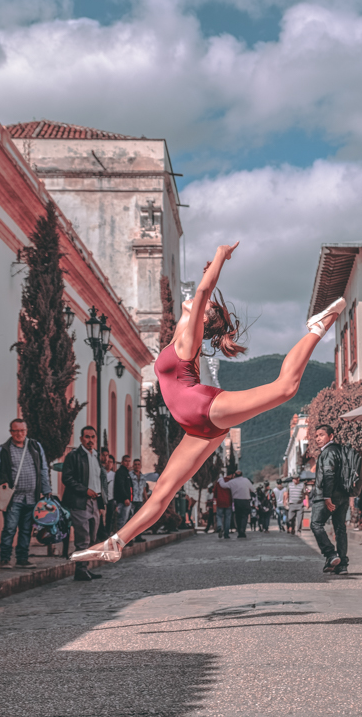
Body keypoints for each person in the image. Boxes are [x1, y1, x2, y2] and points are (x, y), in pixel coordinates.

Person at [71, 241, 345, 562]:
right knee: (163, 491)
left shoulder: (190, 338)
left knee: (285, 388)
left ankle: (316, 328)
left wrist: (220, 256)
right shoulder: (182, 334)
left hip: (202, 407)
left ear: (204, 316)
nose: (196, 301)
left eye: (206, 305)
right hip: (197, 426)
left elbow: (202, 293)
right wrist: (208, 274)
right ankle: (116, 542)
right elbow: (201, 294)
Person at [0, 418, 51, 570]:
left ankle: (22, 559)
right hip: (13, 498)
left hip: (32, 497)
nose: (19, 433)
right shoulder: (4, 449)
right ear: (11, 432)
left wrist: (46, 489)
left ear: (26, 431)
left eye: (22, 430)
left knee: (26, 530)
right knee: (10, 529)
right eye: (16, 430)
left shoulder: (35, 446)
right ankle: (5, 559)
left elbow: (43, 469)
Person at [62, 426, 108, 581]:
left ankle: (84, 568)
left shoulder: (96, 456)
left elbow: (100, 482)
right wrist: (84, 490)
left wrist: (102, 505)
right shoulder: (74, 456)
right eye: (87, 437)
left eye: (93, 437)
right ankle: (80, 570)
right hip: (80, 502)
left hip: (96, 503)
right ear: (81, 439)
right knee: (83, 538)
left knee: (93, 538)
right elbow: (67, 478)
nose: (90, 440)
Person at [310, 424, 349, 575]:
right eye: (316, 436)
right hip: (343, 496)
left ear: (331, 436)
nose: (318, 438)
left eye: (321, 435)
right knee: (340, 528)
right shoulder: (342, 451)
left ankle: (331, 555)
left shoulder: (328, 452)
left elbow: (328, 475)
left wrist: (327, 497)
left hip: (326, 496)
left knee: (316, 524)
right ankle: (343, 564)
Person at [129, 458, 148, 543]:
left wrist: (146, 500)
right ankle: (129, 538)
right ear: (133, 465)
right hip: (132, 500)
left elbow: (144, 490)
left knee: (139, 520)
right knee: (130, 519)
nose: (137, 466)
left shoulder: (143, 477)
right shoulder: (130, 475)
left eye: (138, 464)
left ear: (140, 466)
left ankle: (138, 537)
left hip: (139, 500)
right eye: (135, 464)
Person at [114, 454, 133, 533]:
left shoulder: (126, 473)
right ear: (122, 462)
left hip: (128, 501)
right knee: (122, 521)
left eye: (129, 461)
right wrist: (125, 498)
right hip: (123, 501)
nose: (128, 463)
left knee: (126, 521)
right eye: (126, 461)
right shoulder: (121, 472)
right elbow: (120, 486)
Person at [213, 472, 233, 539]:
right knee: (227, 518)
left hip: (220, 502)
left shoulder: (219, 482)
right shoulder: (231, 482)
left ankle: (219, 526)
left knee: (219, 516)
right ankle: (226, 534)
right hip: (228, 502)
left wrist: (216, 497)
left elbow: (214, 492)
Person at [104, 454, 117, 537]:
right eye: (108, 462)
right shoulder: (102, 473)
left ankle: (108, 533)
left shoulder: (114, 475)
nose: (109, 464)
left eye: (111, 462)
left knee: (109, 518)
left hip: (111, 499)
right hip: (102, 499)